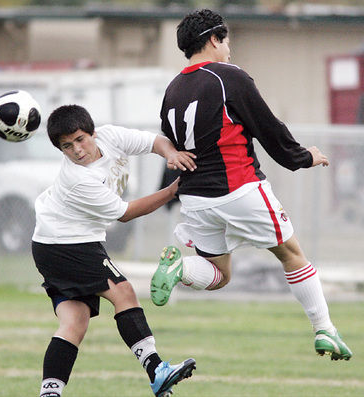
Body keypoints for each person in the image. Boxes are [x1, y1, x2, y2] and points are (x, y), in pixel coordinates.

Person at [150, 8, 352, 361]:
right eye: (226, 40)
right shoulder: (228, 76)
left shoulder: (173, 89)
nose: (229, 48)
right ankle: (325, 329)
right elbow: (268, 128)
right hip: (239, 188)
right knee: (291, 254)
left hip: (195, 198)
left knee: (219, 274)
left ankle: (181, 267)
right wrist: (305, 157)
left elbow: (174, 145)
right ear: (214, 39)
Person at [31, 104, 197, 397]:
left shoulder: (110, 137)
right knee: (123, 292)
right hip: (65, 243)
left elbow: (152, 142)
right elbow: (126, 213)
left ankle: (49, 393)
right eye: (67, 146)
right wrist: (173, 190)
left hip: (56, 243)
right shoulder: (78, 179)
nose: (77, 150)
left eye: (80, 139)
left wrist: (171, 154)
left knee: (74, 322)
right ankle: (156, 370)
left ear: (93, 132)